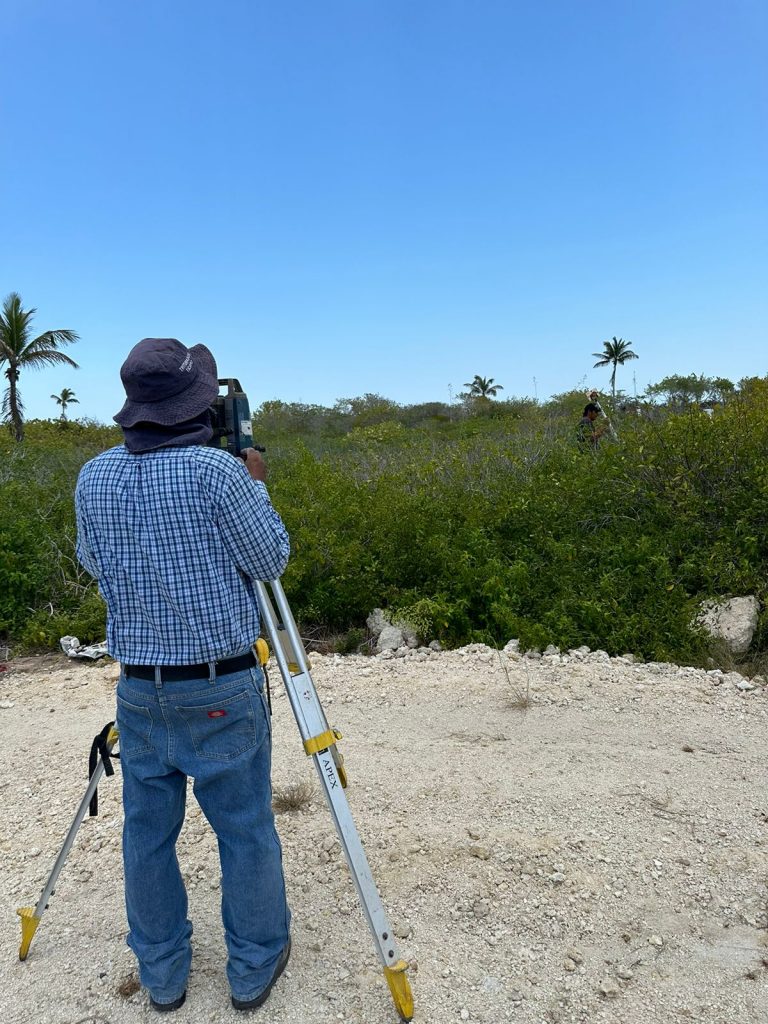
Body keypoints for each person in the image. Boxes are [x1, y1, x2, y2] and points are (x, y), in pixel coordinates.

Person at [75, 338, 291, 1013]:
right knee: (244, 828)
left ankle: (163, 973)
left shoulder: (93, 476)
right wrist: (257, 485)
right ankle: (253, 963)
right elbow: (270, 559)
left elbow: (92, 562)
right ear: (199, 405)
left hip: (140, 689)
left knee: (146, 835)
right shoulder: (219, 473)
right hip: (221, 684)